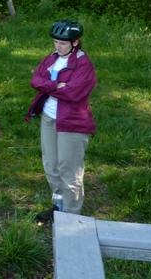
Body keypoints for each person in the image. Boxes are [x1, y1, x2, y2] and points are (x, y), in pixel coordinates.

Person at [25, 20, 97, 222]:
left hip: (72, 121)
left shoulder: (83, 64)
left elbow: (74, 93)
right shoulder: (52, 58)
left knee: (69, 168)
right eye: (56, 42)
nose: (58, 46)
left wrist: (48, 86)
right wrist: (57, 85)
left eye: (62, 43)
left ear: (75, 43)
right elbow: (35, 81)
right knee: (51, 164)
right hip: (49, 117)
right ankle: (59, 205)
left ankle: (72, 216)